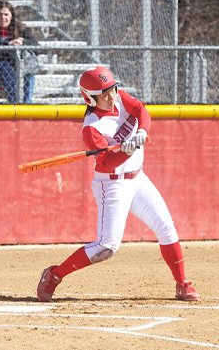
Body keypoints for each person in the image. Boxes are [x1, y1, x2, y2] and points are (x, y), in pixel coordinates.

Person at [36, 66, 201, 302]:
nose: (111, 96)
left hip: (138, 178)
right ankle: (54, 274)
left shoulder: (120, 97)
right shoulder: (92, 127)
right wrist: (126, 151)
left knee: (166, 227)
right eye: (104, 94)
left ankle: (183, 284)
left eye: (112, 89)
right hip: (111, 185)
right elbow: (105, 165)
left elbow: (141, 110)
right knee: (107, 247)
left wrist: (142, 131)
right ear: (90, 98)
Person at [0, 1, 39, 103]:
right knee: (5, 66)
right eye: (0, 14)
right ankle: (15, 103)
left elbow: (37, 48)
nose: (3, 18)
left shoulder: (21, 29)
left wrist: (22, 42)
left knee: (29, 69)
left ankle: (27, 105)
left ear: (11, 15)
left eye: (6, 14)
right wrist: (8, 46)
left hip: (18, 68)